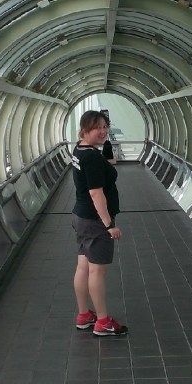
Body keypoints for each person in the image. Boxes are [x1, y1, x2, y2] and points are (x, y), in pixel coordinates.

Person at [71, 110, 127, 336]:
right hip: (95, 221)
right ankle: (102, 321)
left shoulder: (79, 149)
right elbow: (96, 193)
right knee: (97, 271)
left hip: (81, 216)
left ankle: (84, 315)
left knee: (83, 266)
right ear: (85, 131)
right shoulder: (91, 157)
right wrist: (108, 224)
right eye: (97, 128)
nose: (103, 131)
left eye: (105, 126)